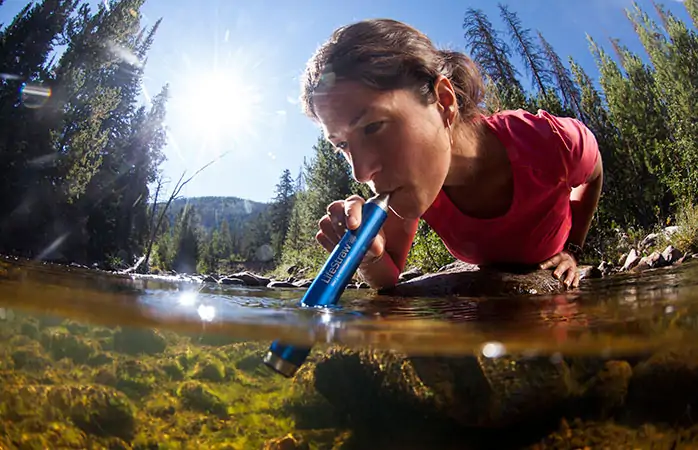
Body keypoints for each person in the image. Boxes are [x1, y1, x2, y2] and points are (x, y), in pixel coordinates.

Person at [300, 18, 603, 291]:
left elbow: (595, 172)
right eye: (342, 145)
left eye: (372, 127)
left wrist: (573, 249)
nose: (361, 172)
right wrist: (369, 255)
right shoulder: (414, 185)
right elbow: (389, 275)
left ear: (443, 101)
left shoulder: (548, 141)